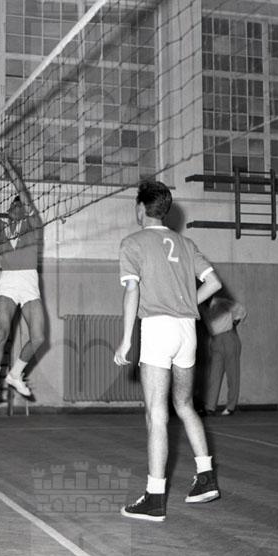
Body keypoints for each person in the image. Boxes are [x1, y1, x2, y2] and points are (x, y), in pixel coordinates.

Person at [114, 180, 223, 522]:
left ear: (140, 208)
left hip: (158, 329)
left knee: (156, 414)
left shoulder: (133, 242)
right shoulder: (185, 243)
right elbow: (214, 283)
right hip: (187, 330)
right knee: (185, 405)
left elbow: (132, 291)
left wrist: (126, 339)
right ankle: (205, 477)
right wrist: (189, 305)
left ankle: (155, 497)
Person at [0, 148, 44, 401]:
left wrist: (8, 167)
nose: (15, 206)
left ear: (24, 210)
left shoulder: (33, 225)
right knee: (2, 331)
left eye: (19, 204)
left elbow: (22, 191)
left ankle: (15, 375)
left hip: (29, 282)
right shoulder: (0, 228)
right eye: (13, 204)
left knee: (39, 338)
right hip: (8, 282)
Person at [201, 295, 247, 416]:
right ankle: (210, 407)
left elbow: (241, 309)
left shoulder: (220, 302)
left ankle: (231, 406)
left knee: (232, 374)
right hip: (215, 340)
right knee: (214, 375)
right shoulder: (201, 306)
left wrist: (235, 321)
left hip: (229, 337)